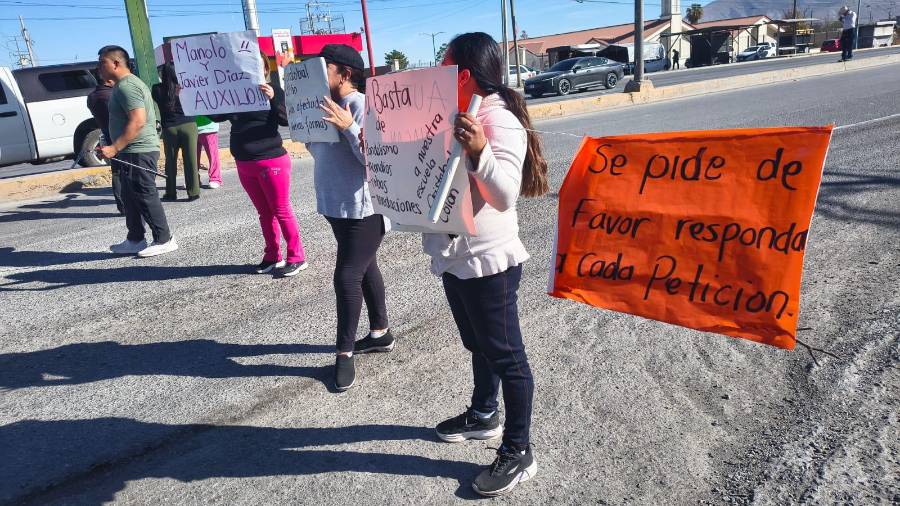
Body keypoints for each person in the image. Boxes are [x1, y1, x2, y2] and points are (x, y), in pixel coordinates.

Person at [429, 32, 548, 497]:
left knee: (507, 356)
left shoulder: (498, 119)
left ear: (463, 73)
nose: (436, 72)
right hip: (456, 257)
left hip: (489, 261)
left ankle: (519, 451)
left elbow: (504, 195)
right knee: (477, 343)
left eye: (444, 63)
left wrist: (479, 150)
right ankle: (484, 415)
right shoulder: (450, 115)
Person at [308, 44, 395, 392]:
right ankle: (380, 333)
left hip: (364, 209)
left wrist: (348, 127)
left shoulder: (359, 106)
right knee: (365, 267)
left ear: (344, 73)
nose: (317, 74)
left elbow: (375, 162)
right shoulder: (324, 104)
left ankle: (344, 353)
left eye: (324, 68)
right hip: (335, 204)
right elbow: (317, 149)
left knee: (346, 277)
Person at [209, 54, 307, 277]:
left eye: (258, 65)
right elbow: (216, 115)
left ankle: (297, 256)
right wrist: (190, 97)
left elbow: (286, 119)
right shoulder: (236, 92)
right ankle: (272, 255)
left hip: (271, 160)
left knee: (281, 210)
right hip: (244, 163)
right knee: (264, 213)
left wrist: (273, 99)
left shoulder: (272, 88)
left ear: (264, 69)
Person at [98, 45, 177, 258]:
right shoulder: (122, 86)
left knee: (144, 192)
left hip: (138, 149)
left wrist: (115, 147)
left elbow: (138, 120)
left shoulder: (128, 86)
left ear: (115, 63)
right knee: (130, 195)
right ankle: (135, 239)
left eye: (102, 63)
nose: (99, 68)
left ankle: (164, 239)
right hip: (130, 150)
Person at [152, 63, 200, 201]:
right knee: (191, 160)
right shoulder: (186, 88)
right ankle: (193, 192)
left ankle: (171, 192)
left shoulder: (156, 89)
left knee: (170, 161)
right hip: (189, 125)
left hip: (169, 128)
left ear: (162, 74)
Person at [86, 75, 125, 214]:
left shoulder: (91, 97)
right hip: (121, 136)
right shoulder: (113, 95)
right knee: (128, 170)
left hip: (106, 134)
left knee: (116, 171)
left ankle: (122, 205)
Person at [196, 115, 222, 188]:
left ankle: (215, 178)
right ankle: (193, 180)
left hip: (209, 128)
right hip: (191, 126)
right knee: (192, 156)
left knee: (212, 155)